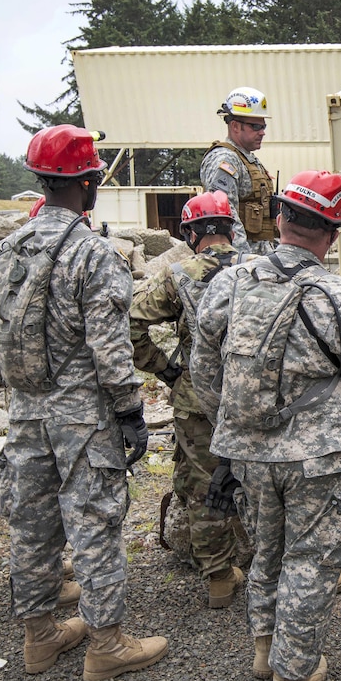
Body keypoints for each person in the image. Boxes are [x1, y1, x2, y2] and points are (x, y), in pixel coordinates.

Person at [191, 170, 341, 681]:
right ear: (333, 233)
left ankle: (265, 649)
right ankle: (293, 674)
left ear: (280, 218)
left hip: (250, 453)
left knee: (267, 550)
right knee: (312, 559)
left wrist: (232, 430)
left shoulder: (229, 284)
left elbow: (204, 371)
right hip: (320, 456)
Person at [0, 125, 167, 681]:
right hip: (82, 418)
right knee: (93, 523)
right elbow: (110, 348)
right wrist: (131, 412)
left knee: (32, 525)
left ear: (41, 179)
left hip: (24, 412)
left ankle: (39, 639)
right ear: (87, 183)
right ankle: (106, 645)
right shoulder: (93, 255)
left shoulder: (1, 252)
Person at [129, 191, 249, 608]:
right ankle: (271, 558)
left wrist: (162, 368)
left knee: (201, 483)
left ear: (190, 232)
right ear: (231, 228)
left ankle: (218, 576)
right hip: (250, 398)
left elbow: (131, 323)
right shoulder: (257, 270)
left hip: (196, 398)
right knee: (263, 478)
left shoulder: (177, 274)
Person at [200, 87, 276, 253]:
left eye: (264, 126)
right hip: (243, 262)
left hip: (261, 256)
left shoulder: (248, 159)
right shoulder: (225, 159)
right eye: (256, 126)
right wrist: (243, 260)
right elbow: (226, 215)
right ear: (235, 126)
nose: (262, 132)